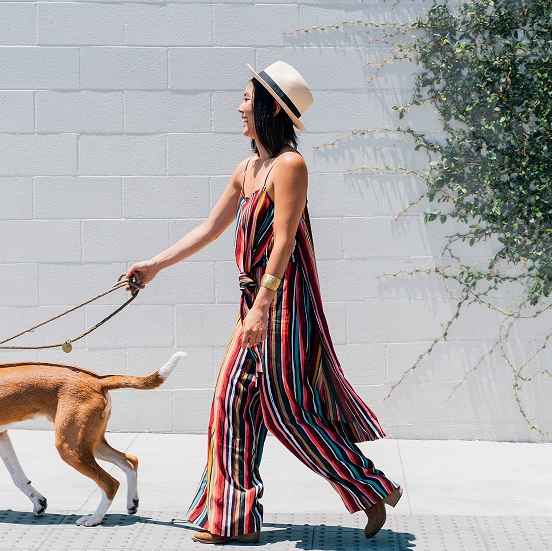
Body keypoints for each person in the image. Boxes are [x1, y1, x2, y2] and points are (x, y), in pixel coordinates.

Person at [127, 61, 402, 545]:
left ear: (272, 108)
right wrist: (154, 265)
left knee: (289, 413)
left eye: (248, 101)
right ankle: (233, 519)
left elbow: (285, 240)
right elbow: (208, 229)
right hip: (252, 307)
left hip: (282, 309)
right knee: (230, 407)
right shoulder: (247, 168)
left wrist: (263, 308)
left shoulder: (289, 166)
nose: (239, 108)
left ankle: (371, 487)